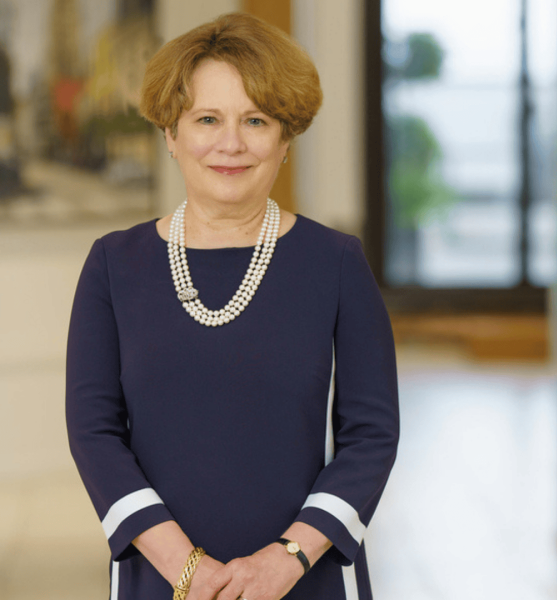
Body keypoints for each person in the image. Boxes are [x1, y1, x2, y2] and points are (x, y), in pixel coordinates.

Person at [66, 12, 399, 600]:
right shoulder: (113, 265)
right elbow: (94, 432)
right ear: (171, 134)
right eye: (207, 119)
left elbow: (371, 435)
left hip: (306, 575)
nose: (231, 143)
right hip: (159, 575)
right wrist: (186, 568)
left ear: (285, 139)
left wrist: (287, 559)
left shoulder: (337, 262)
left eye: (256, 120)